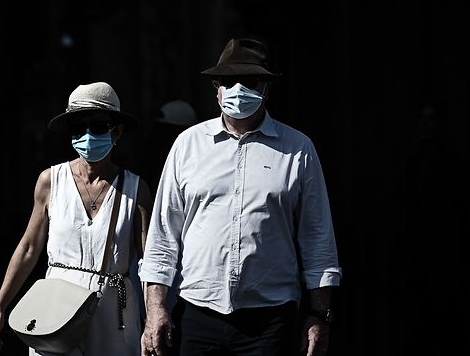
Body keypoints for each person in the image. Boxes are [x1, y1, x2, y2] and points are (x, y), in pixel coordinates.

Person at [139, 38, 342, 356]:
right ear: (216, 88)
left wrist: (319, 316)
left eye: (249, 81)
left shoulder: (297, 149)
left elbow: (317, 238)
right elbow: (164, 236)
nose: (238, 89)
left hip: (270, 318)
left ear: (266, 88)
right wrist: (155, 309)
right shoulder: (187, 145)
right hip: (197, 311)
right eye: (229, 81)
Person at [0, 81, 154, 355]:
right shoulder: (51, 181)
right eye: (78, 128)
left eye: (97, 126)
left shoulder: (135, 189)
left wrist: (154, 318)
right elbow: (28, 248)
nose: (87, 136)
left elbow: (149, 262)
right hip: (55, 308)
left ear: (117, 131)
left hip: (113, 314)